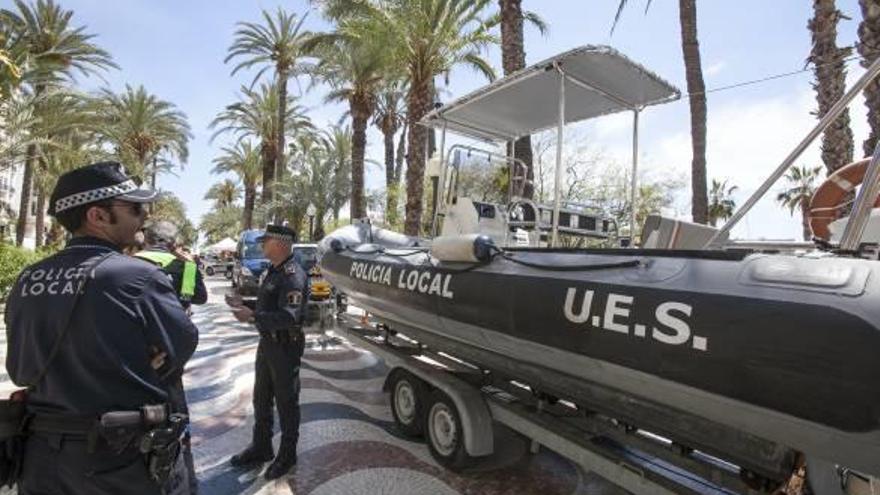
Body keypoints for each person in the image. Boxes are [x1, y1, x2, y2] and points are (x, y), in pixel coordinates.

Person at [4, 161, 199, 495]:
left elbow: (20, 367)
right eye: (135, 208)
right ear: (97, 216)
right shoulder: (138, 277)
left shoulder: (27, 278)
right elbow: (180, 348)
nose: (143, 217)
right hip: (120, 462)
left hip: (42, 459)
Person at [225, 224, 308, 480]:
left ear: (281, 244)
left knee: (286, 402)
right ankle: (261, 447)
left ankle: (287, 454)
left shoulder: (293, 274)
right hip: (268, 344)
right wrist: (246, 304)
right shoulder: (274, 271)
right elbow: (270, 304)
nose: (262, 245)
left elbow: (288, 316)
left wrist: (252, 317)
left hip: (285, 346)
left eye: (266, 241)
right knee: (261, 398)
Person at [134, 220, 206, 494]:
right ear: (174, 243)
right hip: (173, 352)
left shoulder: (125, 262)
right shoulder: (185, 266)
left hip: (135, 356)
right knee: (175, 413)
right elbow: (196, 298)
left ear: (147, 239)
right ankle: (181, 477)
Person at [135, 220, 207, 310]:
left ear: (146, 240)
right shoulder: (187, 267)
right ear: (174, 244)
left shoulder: (127, 262)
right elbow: (198, 299)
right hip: (172, 321)